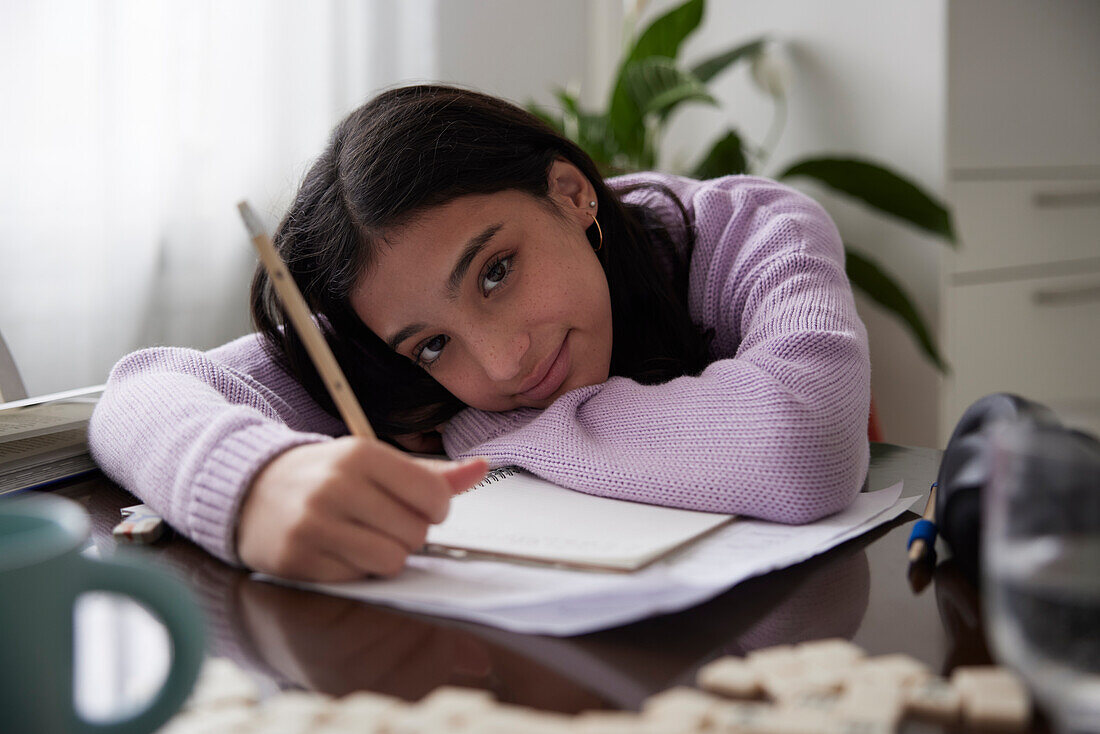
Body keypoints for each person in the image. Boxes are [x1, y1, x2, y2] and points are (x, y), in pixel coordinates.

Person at [88, 84, 871, 583]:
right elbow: (139, 394)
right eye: (432, 346)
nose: (503, 361)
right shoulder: (377, 332)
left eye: (495, 271)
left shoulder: (751, 231)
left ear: (570, 195)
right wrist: (253, 484)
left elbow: (802, 442)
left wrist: (493, 427)